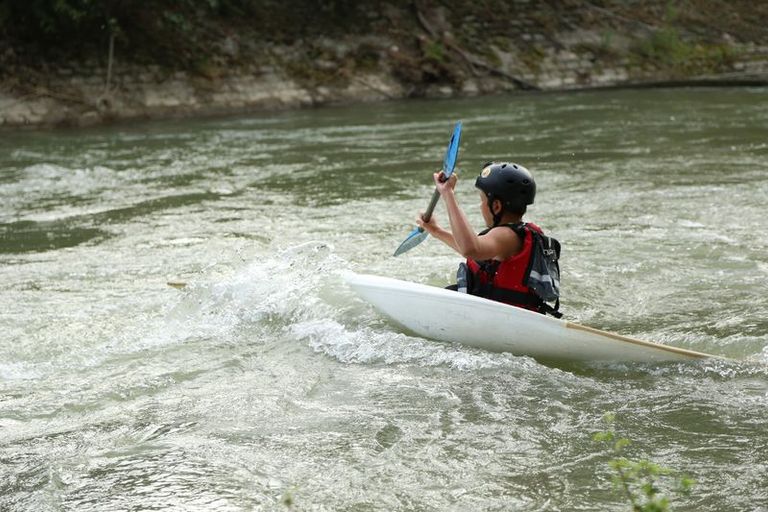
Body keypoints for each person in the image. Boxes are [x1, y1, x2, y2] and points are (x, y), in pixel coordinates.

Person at [416, 161, 560, 316]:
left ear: (496, 206)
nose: (480, 206)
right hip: (509, 316)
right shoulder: (516, 234)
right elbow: (476, 253)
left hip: (508, 322)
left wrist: (448, 194)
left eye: (482, 200)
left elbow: (470, 249)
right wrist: (437, 231)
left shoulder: (506, 236)